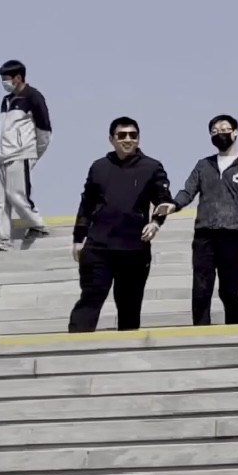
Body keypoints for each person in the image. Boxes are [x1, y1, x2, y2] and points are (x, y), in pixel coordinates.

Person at [69, 117, 172, 333]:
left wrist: (155, 222)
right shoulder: (99, 167)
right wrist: (78, 239)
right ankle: (74, 350)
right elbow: (86, 204)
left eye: (133, 135)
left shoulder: (152, 167)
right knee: (90, 300)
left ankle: (128, 355)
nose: (128, 139)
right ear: (112, 139)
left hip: (134, 249)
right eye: (122, 135)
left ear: (138, 138)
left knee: (129, 307)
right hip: (99, 248)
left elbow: (163, 200)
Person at [161, 114, 238, 326]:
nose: (220, 134)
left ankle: (234, 332)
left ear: (235, 132)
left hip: (233, 235)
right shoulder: (203, 165)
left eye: (224, 129)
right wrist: (174, 204)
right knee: (201, 289)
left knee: (230, 291)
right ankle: (199, 333)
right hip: (204, 236)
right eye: (215, 131)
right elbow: (188, 190)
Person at [0, 59, 55, 252]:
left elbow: (44, 131)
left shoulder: (33, 97)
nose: (4, 83)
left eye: (6, 79)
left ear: (18, 77)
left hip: (20, 154)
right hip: (2, 157)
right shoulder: (6, 101)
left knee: (16, 195)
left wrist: (31, 153)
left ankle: (38, 225)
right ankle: (0, 238)